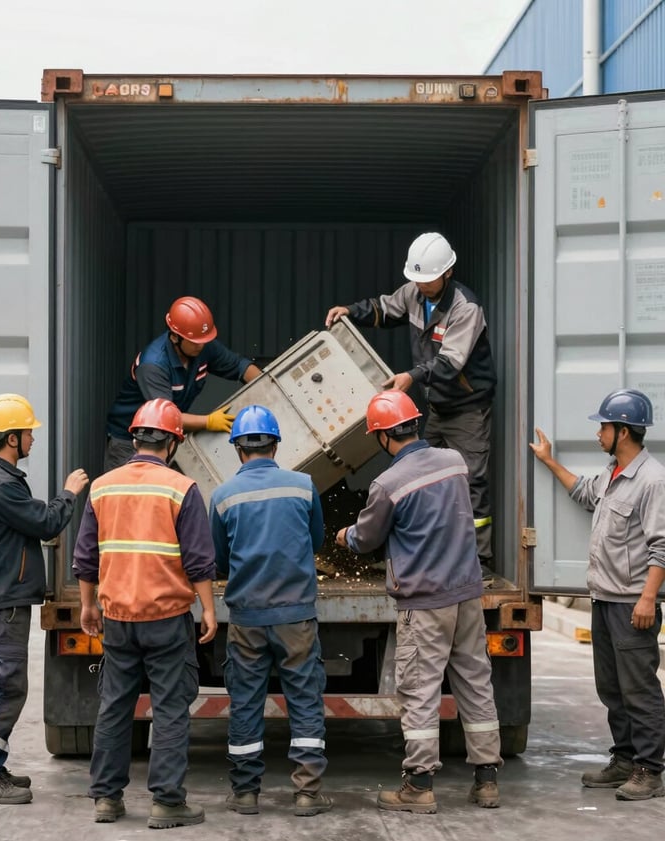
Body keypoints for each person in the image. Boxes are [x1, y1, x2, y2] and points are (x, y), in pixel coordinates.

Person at [335, 390, 502, 813]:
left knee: (420, 689)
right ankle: (486, 781)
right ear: (414, 424)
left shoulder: (388, 484)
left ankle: (420, 785)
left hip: (424, 602)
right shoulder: (455, 463)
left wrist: (345, 536)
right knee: (475, 683)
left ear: (382, 437)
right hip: (467, 593)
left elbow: (367, 538)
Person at [73, 398, 217, 829]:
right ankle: (167, 803)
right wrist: (208, 609)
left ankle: (107, 800)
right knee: (170, 708)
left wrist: (86, 605)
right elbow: (198, 560)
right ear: (173, 442)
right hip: (167, 618)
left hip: (117, 618)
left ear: (135, 439)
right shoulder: (181, 488)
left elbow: (85, 558)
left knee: (114, 707)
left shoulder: (102, 487)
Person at [325, 232, 497, 575]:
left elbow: (450, 365)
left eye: (427, 279)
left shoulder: (466, 308)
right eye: (416, 278)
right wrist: (352, 311)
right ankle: (419, 550)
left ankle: (480, 562)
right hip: (437, 408)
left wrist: (410, 377)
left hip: (467, 409)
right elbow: (384, 309)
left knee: (471, 480)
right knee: (416, 474)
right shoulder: (415, 293)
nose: (421, 285)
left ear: (447, 273)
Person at [530, 388, 665, 801]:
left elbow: (662, 545)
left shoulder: (652, 480)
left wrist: (647, 599)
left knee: (639, 689)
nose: (598, 433)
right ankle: (624, 759)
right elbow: (583, 492)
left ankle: (649, 770)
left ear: (623, 431)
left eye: (604, 425)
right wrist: (549, 460)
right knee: (612, 688)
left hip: (631, 603)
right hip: (604, 599)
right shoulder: (611, 474)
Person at [0, 393, 88, 805]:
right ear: (12, 438)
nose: (33, 439)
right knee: (1, 686)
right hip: (2, 600)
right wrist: (69, 493)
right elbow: (45, 521)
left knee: (4, 684)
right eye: (28, 433)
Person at [208, 405, 331, 817]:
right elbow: (315, 540)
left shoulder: (223, 496)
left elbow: (219, 559)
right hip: (296, 615)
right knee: (305, 700)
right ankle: (307, 793)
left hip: (246, 618)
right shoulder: (303, 485)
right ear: (275, 444)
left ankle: (245, 793)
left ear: (237, 448)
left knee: (245, 702)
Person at [104, 295, 262, 470]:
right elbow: (166, 416)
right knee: (129, 494)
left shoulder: (201, 346)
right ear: (175, 337)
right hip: (131, 440)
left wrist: (268, 388)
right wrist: (208, 422)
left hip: (164, 439)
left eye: (204, 340)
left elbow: (239, 366)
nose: (201, 346)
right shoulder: (153, 365)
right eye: (195, 342)